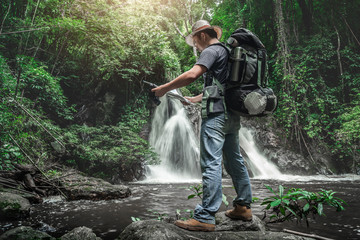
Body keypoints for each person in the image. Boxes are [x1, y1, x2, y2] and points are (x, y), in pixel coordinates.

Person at [151, 20, 253, 232]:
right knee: (235, 161)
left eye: (195, 42)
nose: (195, 46)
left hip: (215, 116)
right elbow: (219, 87)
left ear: (203, 36)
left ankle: (205, 216)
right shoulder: (226, 52)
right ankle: (243, 206)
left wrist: (163, 88)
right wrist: (193, 99)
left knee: (211, 162)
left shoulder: (211, 50)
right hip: (231, 115)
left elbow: (191, 75)